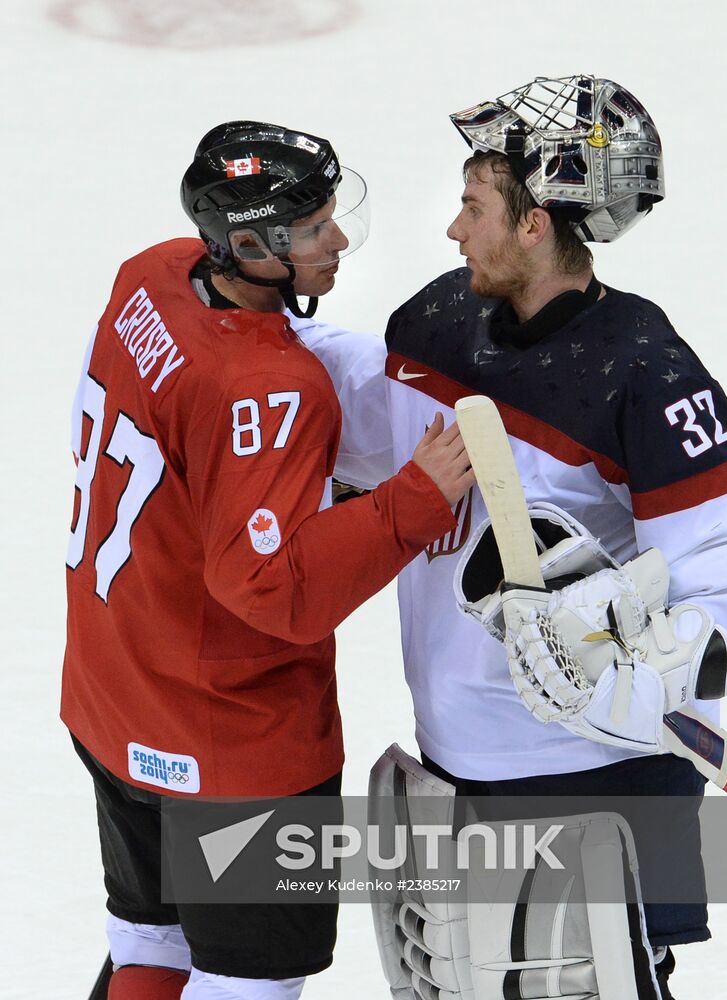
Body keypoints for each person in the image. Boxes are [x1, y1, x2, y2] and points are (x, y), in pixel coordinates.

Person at [300, 76, 727, 998]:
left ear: (532, 225)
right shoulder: (438, 320)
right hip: (456, 751)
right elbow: (369, 424)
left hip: (592, 773)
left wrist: (641, 678)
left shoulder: (642, 368)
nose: (454, 229)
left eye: (473, 206)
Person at [61, 120, 474, 1000]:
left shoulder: (150, 274)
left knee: (151, 944)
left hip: (115, 692)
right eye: (313, 229)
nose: (338, 241)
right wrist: (411, 500)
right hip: (232, 745)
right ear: (248, 246)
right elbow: (269, 587)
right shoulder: (271, 389)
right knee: (249, 984)